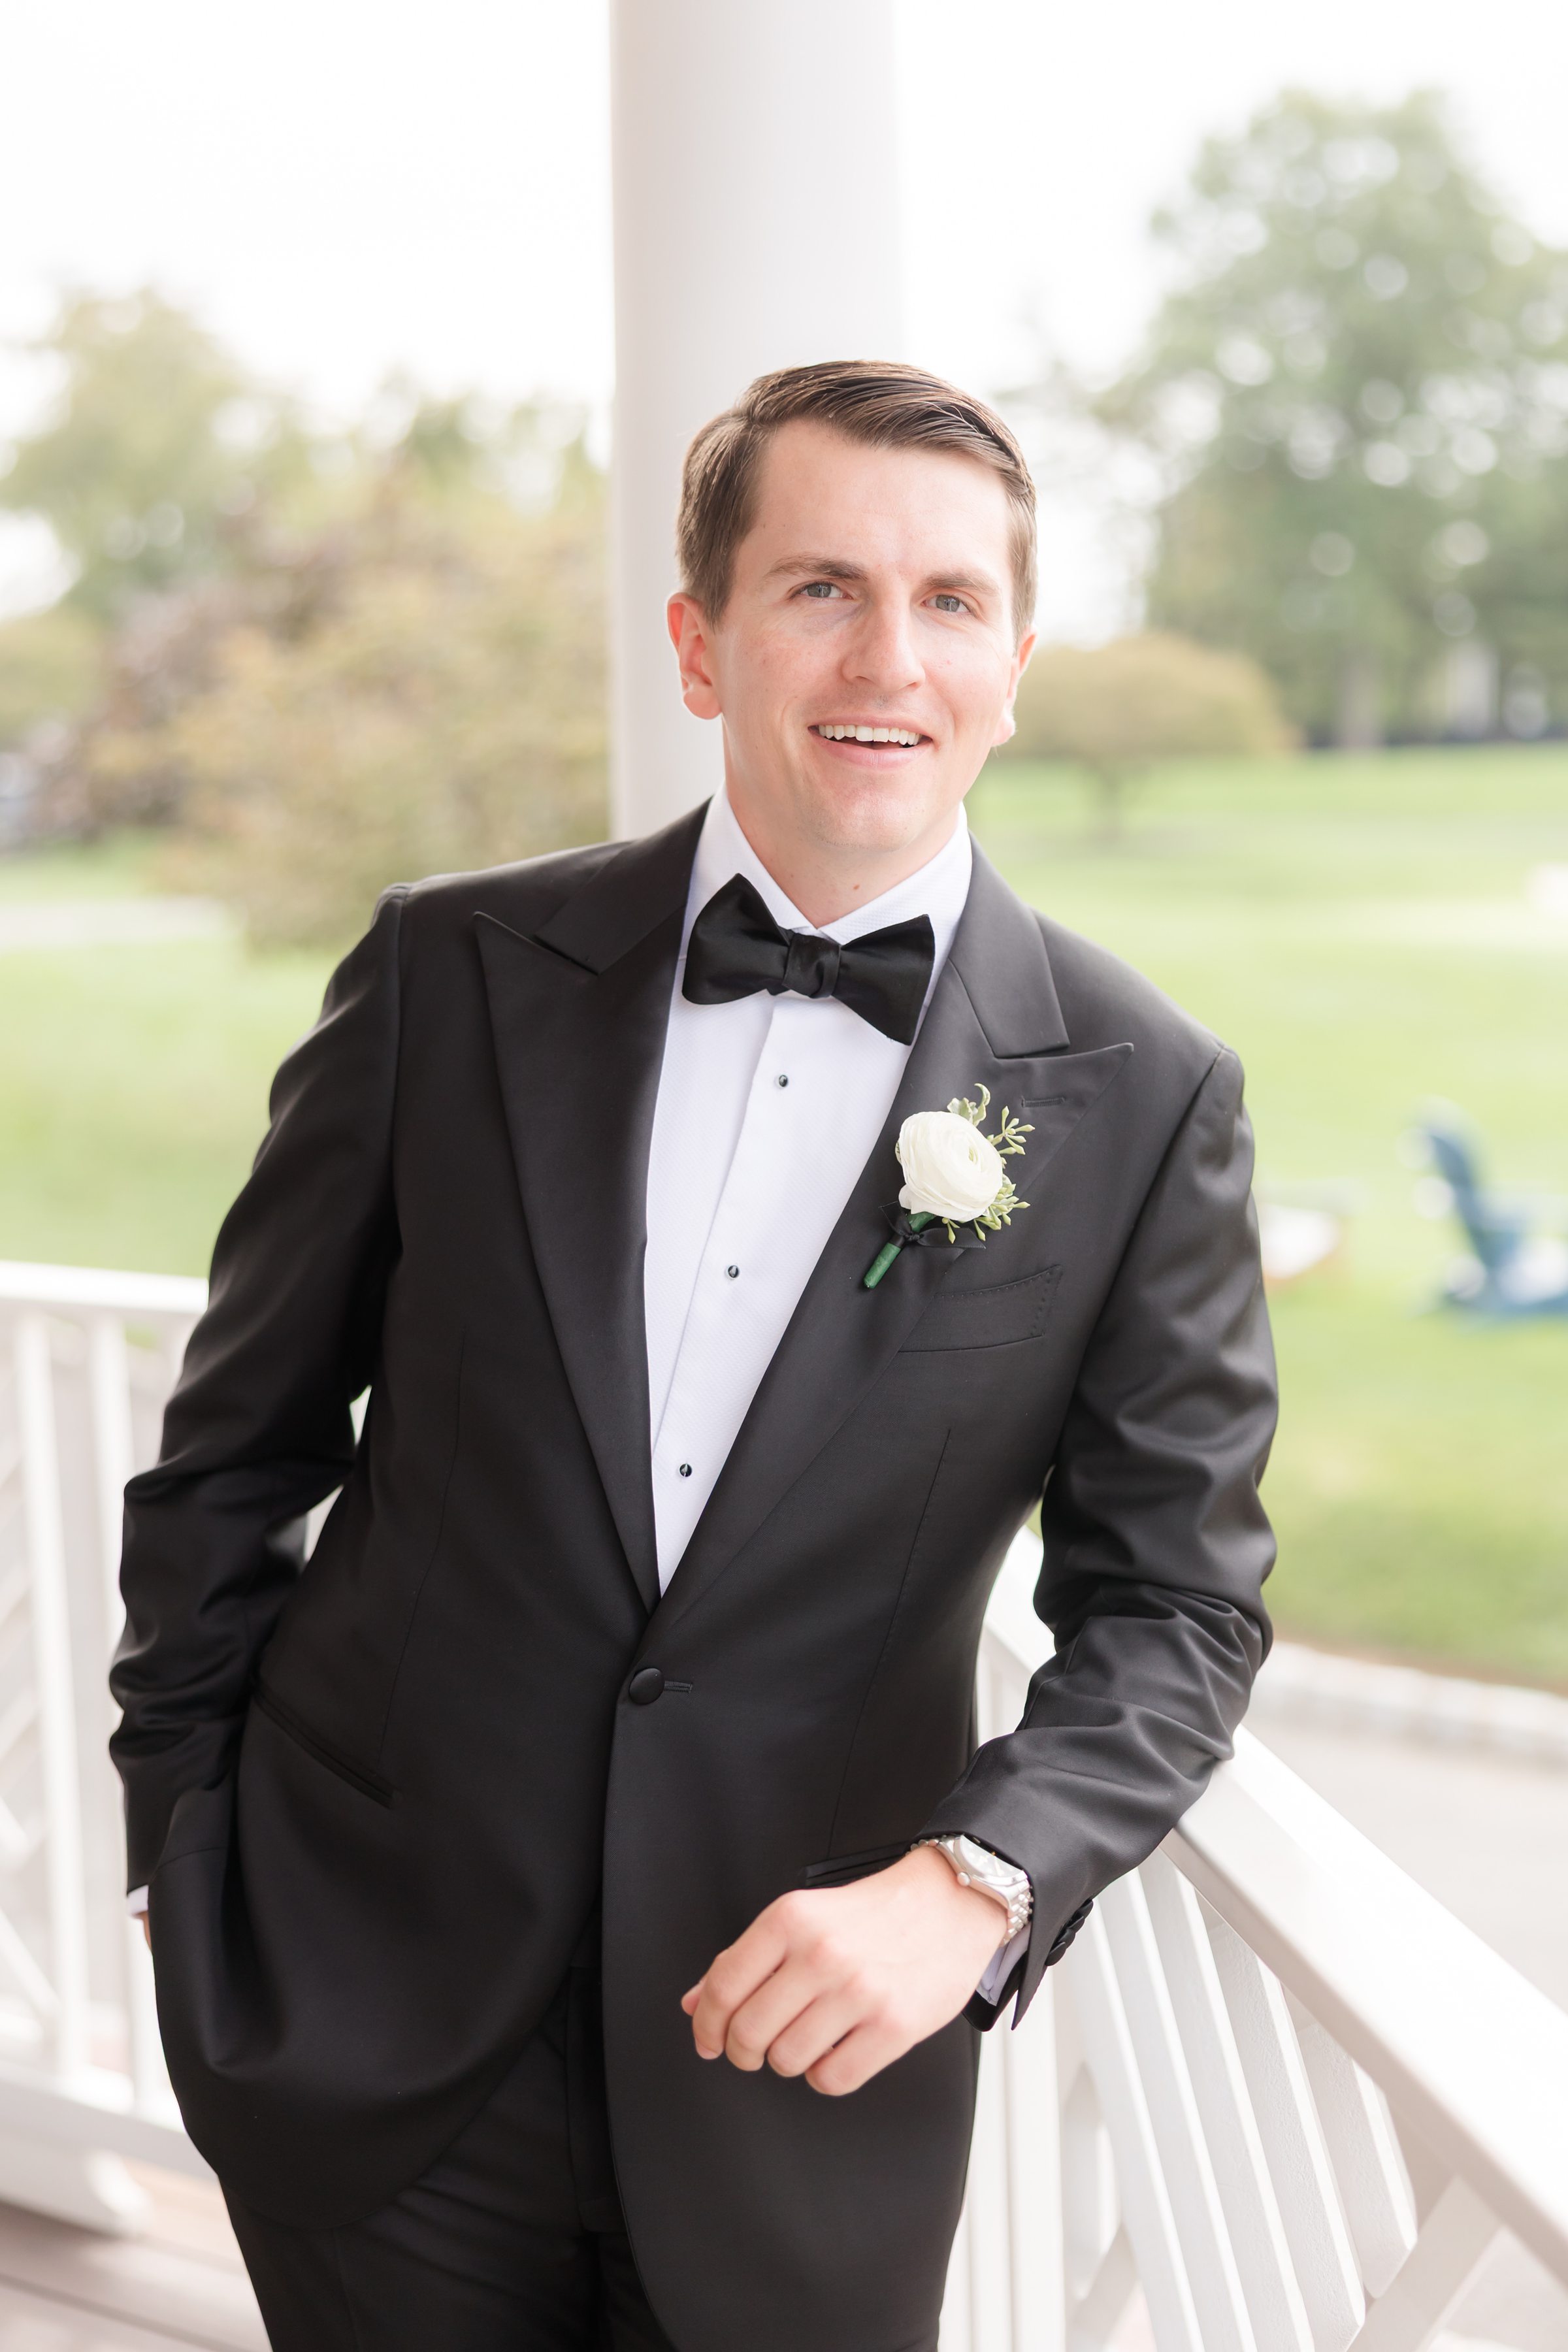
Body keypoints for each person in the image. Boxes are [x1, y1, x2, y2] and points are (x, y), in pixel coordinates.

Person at [110, 360, 1277, 2352]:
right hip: (367, 2030)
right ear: (699, 641)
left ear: (1013, 661)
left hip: (800, 2070)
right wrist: (185, 1866)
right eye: (820, 588)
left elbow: (1175, 1608)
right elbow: (232, 1459)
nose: (885, 654)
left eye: (949, 602)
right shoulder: (449, 973)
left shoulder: (1145, 1091)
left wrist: (980, 1884)